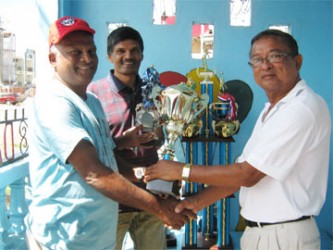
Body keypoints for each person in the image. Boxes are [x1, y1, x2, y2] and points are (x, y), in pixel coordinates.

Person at [144, 29, 331, 250]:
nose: (266, 65)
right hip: (262, 233)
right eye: (257, 59)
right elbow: (239, 176)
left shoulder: (302, 107)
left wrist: (180, 171)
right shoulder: (273, 110)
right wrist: (195, 203)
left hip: (284, 236)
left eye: (275, 56)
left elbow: (248, 174)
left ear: (297, 61)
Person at [25, 16, 193, 250]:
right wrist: (158, 206)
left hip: (96, 236)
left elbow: (108, 159)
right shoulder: (55, 103)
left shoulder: (91, 101)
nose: (86, 59)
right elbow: (96, 173)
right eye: (75, 52)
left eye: (90, 51)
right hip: (64, 240)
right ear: (53, 58)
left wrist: (153, 179)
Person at [87, 26, 167, 250]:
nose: (128, 56)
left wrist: (158, 135)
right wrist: (125, 141)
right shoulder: (94, 93)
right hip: (113, 198)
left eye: (134, 50)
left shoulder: (153, 91)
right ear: (109, 56)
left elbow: (159, 140)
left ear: (142, 55)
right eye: (121, 51)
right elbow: (92, 148)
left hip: (150, 195)